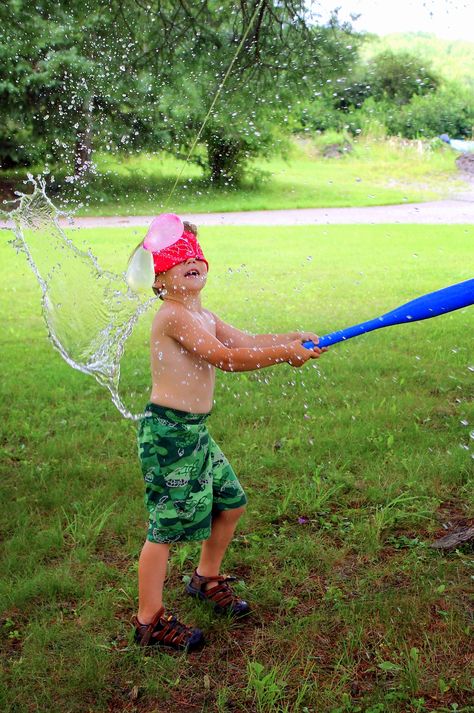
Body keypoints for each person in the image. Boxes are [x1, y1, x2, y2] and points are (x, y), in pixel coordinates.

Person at [131, 220, 327, 651]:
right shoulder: (172, 316)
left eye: (195, 256)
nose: (192, 261)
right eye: (178, 259)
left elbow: (248, 341)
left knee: (232, 503)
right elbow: (226, 358)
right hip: (169, 436)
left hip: (194, 432)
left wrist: (294, 338)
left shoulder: (202, 314)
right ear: (158, 280)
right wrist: (284, 355)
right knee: (164, 528)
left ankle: (205, 578)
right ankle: (149, 621)